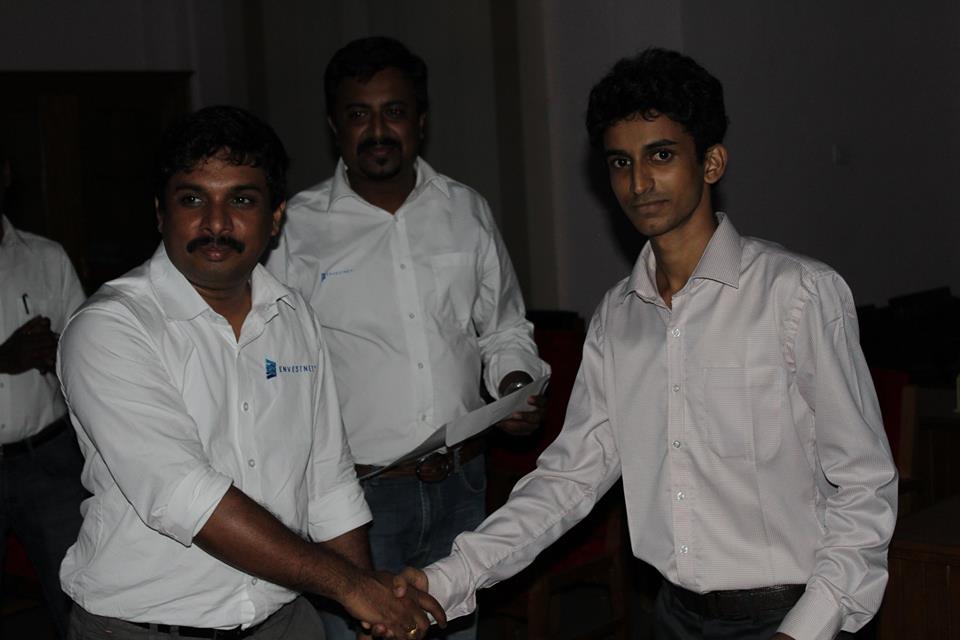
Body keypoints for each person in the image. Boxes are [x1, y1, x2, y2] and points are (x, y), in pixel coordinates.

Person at [402, 48, 898, 640]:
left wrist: (806, 628)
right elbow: (569, 479)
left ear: (711, 162)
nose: (638, 183)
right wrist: (446, 578)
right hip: (669, 617)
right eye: (621, 162)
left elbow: (864, 484)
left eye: (661, 155)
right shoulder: (617, 318)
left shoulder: (797, 295)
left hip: (792, 616)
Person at [57, 105, 444, 640]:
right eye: (193, 199)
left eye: (241, 200)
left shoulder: (293, 314)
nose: (216, 223)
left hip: (284, 621)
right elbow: (188, 496)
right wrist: (352, 588)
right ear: (161, 213)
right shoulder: (111, 327)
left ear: (276, 216)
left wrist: (365, 605)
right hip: (145, 628)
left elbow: (327, 479)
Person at [266, 36, 549, 640]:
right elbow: (273, 365)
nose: (377, 130)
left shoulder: (466, 210)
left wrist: (514, 384)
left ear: (420, 120)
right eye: (358, 114)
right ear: (334, 126)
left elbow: (503, 328)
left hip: (462, 484)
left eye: (394, 111)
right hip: (356, 503)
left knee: (454, 631)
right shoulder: (295, 230)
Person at [0, 142, 88, 639]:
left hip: (49, 459)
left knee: (76, 595)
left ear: (5, 172)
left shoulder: (46, 256)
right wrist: (3, 358)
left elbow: (86, 357)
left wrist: (60, 351)